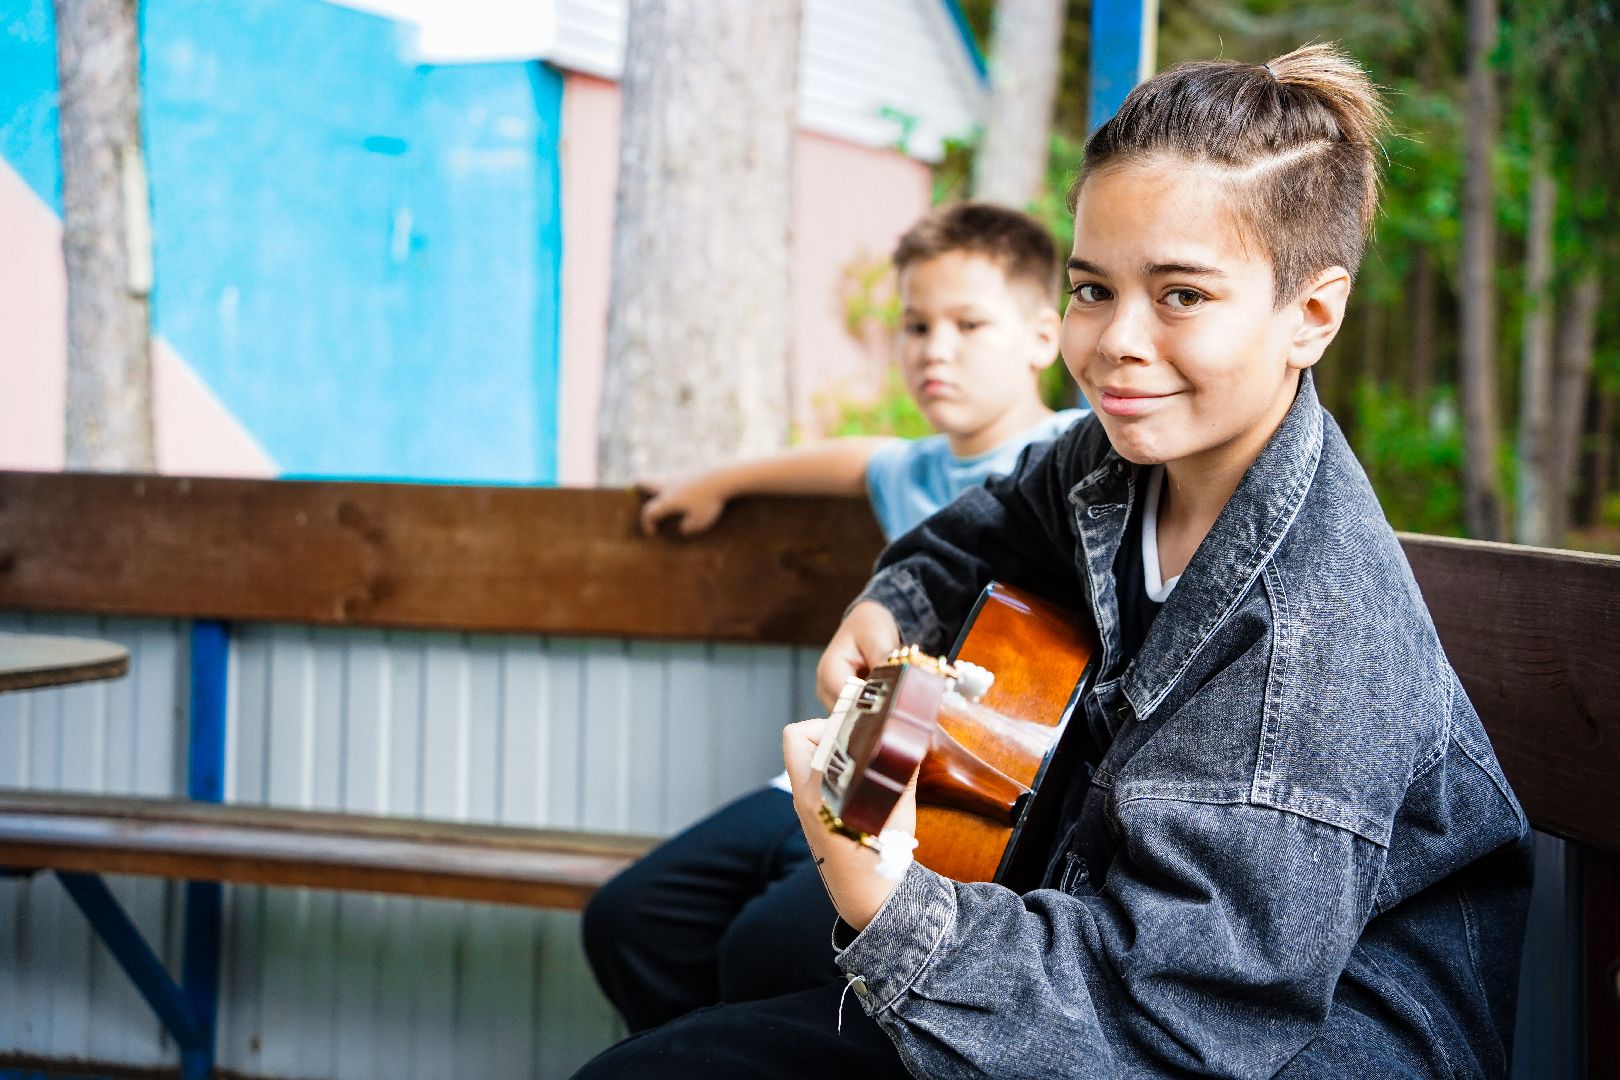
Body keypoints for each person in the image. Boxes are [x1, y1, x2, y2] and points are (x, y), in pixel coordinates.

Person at [575, 43, 1533, 1079]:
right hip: (1075, 927)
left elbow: (1177, 1022)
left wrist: (889, 902)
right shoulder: (1114, 458)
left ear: (1312, 314)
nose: (1117, 341)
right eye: (1091, 288)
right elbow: (984, 531)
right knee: (745, 950)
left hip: (1268, 1051)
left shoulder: (1309, 643)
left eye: (1182, 296)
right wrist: (896, 603)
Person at [583, 202, 1087, 1034]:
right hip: (856, 751)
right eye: (917, 326)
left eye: (969, 324)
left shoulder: (1074, 452)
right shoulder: (916, 469)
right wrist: (718, 482)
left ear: (1042, 337)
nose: (937, 350)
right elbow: (852, 462)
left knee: (762, 952)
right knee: (632, 920)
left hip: (960, 789)